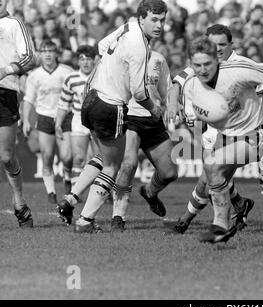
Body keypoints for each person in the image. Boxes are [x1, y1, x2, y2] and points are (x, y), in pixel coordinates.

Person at [180, 36, 263, 244]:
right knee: (210, 175)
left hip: (256, 136)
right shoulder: (191, 85)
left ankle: (221, 225)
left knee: (212, 164)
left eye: (207, 63)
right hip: (225, 136)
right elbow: (193, 111)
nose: (203, 69)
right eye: (197, 65)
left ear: (217, 60)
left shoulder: (237, 71)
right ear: (190, 64)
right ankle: (226, 222)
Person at [165, 24, 263, 235]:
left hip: (241, 134)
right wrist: (172, 104)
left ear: (231, 45)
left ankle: (186, 223)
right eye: (211, 45)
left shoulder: (243, 65)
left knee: (208, 179)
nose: (216, 49)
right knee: (212, 178)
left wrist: (262, 123)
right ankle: (239, 206)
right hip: (211, 132)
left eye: (221, 45)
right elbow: (177, 82)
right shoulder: (204, 63)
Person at [71, 0, 166, 233]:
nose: (160, 25)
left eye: (163, 20)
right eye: (154, 19)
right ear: (142, 18)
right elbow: (138, 92)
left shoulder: (127, 26)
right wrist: (154, 108)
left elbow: (101, 46)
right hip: (110, 106)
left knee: (104, 157)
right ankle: (85, 220)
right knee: (113, 165)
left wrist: (100, 73)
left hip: (92, 98)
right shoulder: (141, 46)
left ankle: (71, 199)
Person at [97, 16, 177, 232]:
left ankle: (150, 192)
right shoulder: (123, 55)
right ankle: (118, 217)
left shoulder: (158, 59)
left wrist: (171, 105)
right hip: (129, 117)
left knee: (169, 173)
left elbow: (167, 88)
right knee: (128, 164)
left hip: (153, 120)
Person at [22, 40, 73, 204]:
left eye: (51, 51)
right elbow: (29, 99)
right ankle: (51, 192)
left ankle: (66, 178)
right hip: (44, 117)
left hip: (65, 117)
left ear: (56, 53)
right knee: (47, 156)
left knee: (67, 156)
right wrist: (25, 120)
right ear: (40, 54)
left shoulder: (67, 72)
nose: (48, 54)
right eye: (44, 51)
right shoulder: (34, 75)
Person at [0, 0, 36, 227]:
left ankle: (20, 203)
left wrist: (5, 71)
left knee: (6, 156)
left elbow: (30, 58)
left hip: (5, 94)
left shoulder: (13, 24)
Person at [54, 45, 100, 203]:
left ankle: (101, 192)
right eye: (82, 59)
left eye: (88, 59)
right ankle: (76, 195)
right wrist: (58, 124)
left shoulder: (101, 77)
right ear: (77, 61)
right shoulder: (71, 79)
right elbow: (63, 104)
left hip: (98, 122)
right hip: (79, 121)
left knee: (99, 159)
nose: (85, 62)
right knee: (79, 158)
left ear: (94, 60)